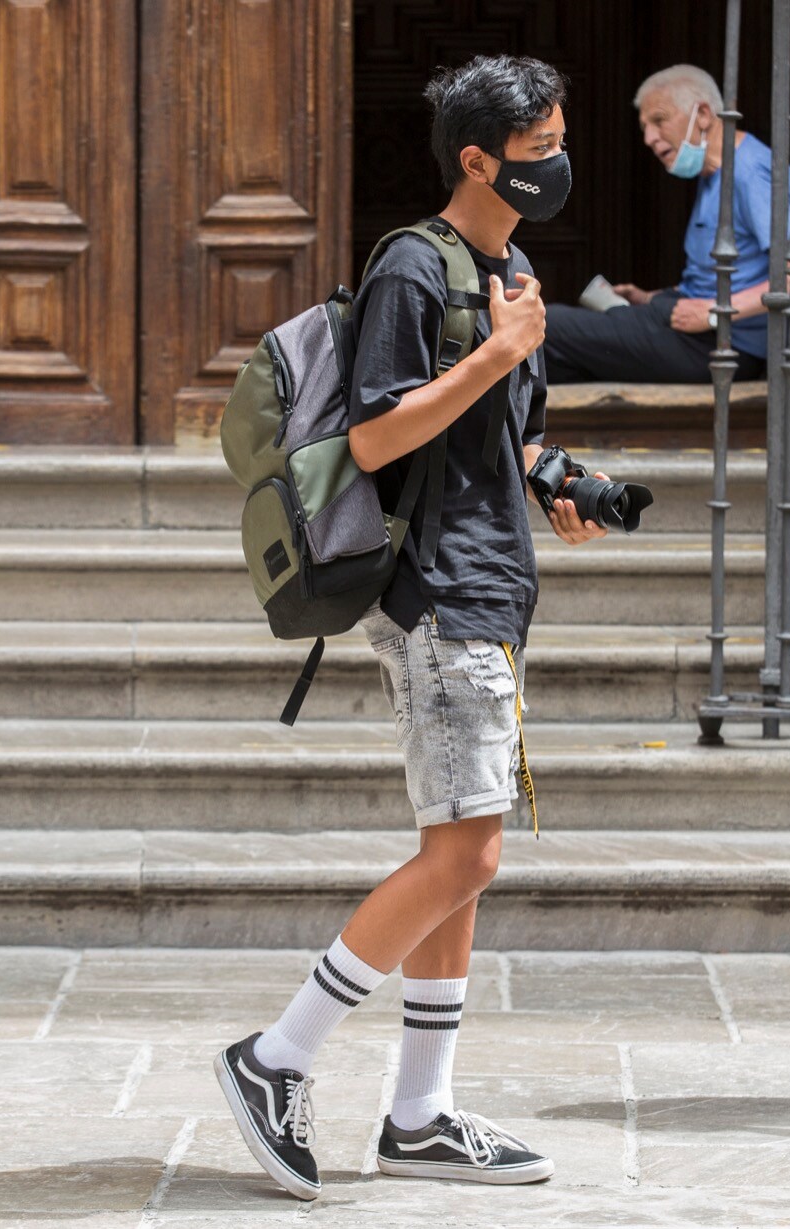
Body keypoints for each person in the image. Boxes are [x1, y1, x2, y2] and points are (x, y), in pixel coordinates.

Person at [214, 54, 613, 1202]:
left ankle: (422, 1112)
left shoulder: (515, 268)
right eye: (539, 151)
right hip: (433, 589)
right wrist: (497, 352)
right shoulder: (411, 264)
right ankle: (275, 1054)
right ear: (477, 159)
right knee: (466, 850)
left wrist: (563, 488)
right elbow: (380, 437)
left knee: (461, 864)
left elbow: (506, 437)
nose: (556, 166)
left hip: (493, 579)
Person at [542, 63, 790, 384]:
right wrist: (652, 297)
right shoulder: (713, 174)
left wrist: (714, 312)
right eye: (645, 127)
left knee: (548, 325)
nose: (650, 138)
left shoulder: (753, 174)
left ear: (704, 115)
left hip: (724, 345)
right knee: (565, 349)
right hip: (689, 325)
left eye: (659, 121)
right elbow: (732, 273)